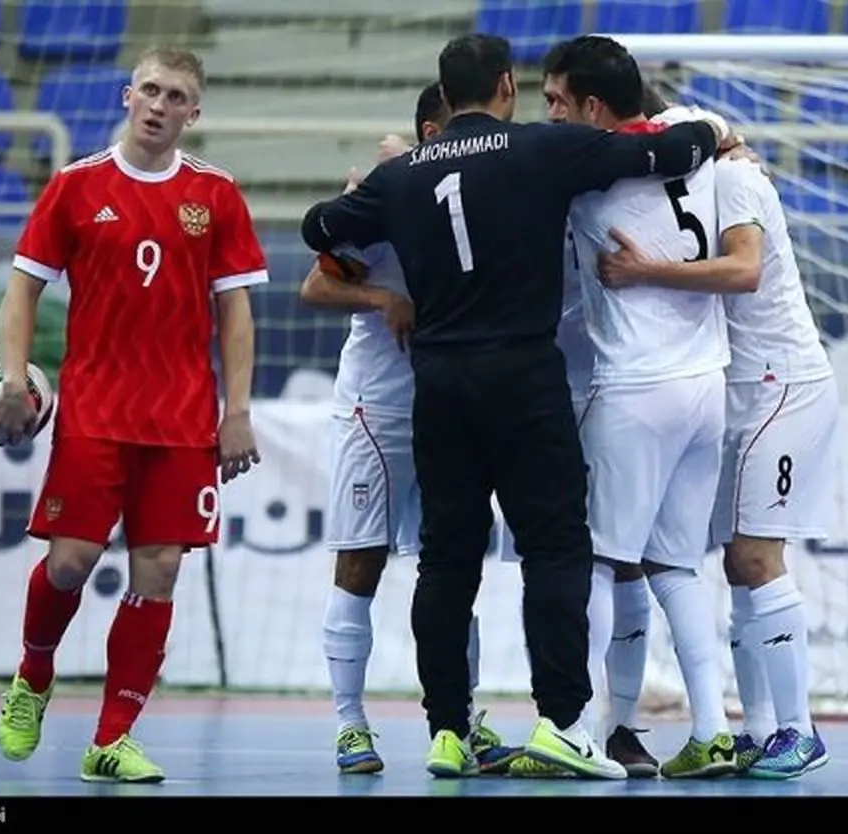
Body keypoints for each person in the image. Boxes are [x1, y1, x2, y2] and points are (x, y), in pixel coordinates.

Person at [300, 32, 724, 780]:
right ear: (505, 85)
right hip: (523, 377)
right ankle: (563, 723)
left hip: (439, 381)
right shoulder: (539, 149)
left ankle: (446, 732)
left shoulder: (400, 178)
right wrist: (716, 132)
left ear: (445, 91)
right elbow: (659, 152)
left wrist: (370, 200)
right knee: (557, 548)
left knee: (447, 558)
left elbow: (321, 227)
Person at [0, 46, 267, 784]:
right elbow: (22, 291)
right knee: (72, 561)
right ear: (124, 96)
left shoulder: (217, 194)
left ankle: (113, 737)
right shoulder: (76, 186)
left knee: (161, 572)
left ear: (193, 112)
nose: (159, 105)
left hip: (181, 419)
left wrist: (237, 410)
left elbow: (235, 312)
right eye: (149, 90)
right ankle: (33, 674)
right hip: (96, 410)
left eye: (176, 96)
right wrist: (14, 378)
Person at [299, 81, 520, 777]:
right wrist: (380, 296)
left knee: (454, 572)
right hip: (381, 407)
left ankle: (462, 720)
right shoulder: (382, 196)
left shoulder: (485, 196)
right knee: (360, 563)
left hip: (454, 406)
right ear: (432, 131)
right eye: (459, 129)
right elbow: (314, 286)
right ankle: (350, 725)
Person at [597, 154, 836, 782]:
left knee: (757, 558)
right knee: (735, 562)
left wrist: (644, 270)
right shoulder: (696, 179)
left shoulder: (730, 176)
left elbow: (746, 268)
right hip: (739, 392)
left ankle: (800, 729)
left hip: (783, 384)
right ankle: (757, 731)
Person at [547, 35, 738, 779]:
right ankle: (714, 730)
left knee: (598, 560)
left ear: (594, 106)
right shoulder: (698, 135)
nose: (553, 116)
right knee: (677, 568)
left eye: (559, 101)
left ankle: (584, 733)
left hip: (635, 384)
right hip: (706, 384)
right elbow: (717, 131)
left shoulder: (582, 168)